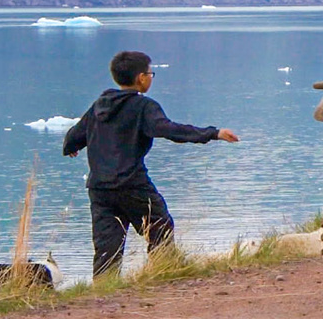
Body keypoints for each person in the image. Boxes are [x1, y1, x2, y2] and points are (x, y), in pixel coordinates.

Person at [62, 50, 239, 278]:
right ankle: (163, 275)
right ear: (140, 78)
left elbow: (74, 136)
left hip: (99, 189)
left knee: (107, 248)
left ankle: (103, 292)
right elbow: (170, 130)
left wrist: (70, 148)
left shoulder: (99, 106)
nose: (151, 77)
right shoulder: (143, 107)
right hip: (132, 185)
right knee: (160, 229)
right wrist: (213, 133)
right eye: (149, 73)